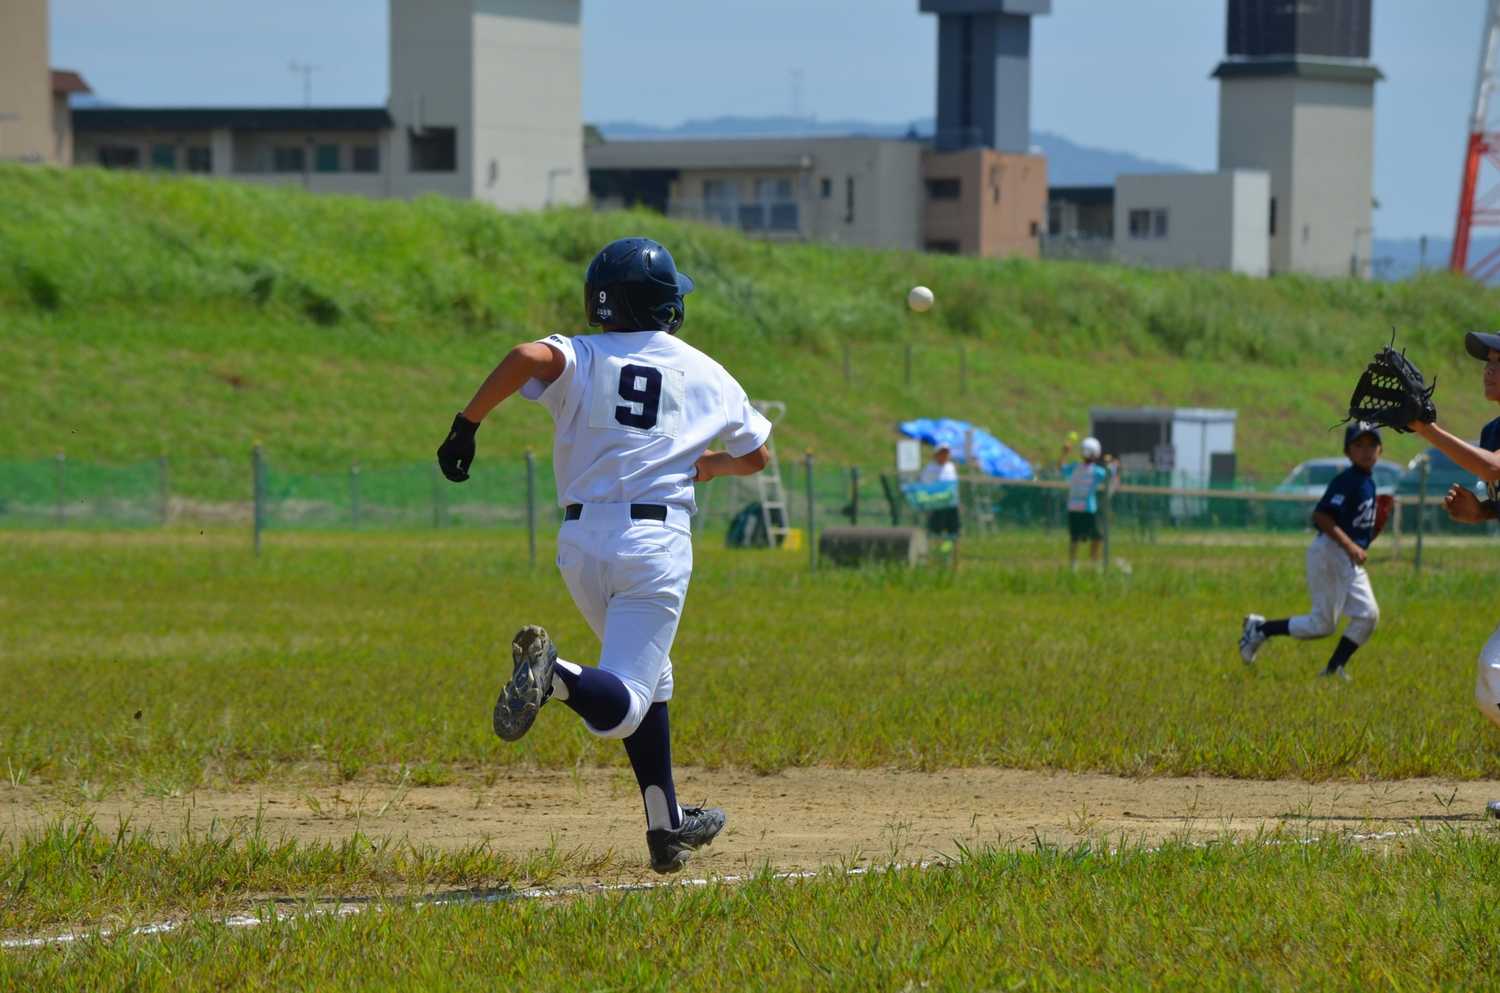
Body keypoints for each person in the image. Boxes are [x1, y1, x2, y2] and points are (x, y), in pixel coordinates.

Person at [435, 237, 772, 872]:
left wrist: (467, 425)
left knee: (653, 675)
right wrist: (711, 466)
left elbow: (525, 355)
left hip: (580, 542)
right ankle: (555, 676)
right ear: (668, 304)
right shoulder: (707, 370)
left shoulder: (582, 354)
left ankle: (666, 826)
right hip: (653, 543)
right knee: (623, 703)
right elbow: (756, 455)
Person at [1405, 332, 1500, 813]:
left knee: (1494, 673)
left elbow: (1494, 468)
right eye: (1488, 361)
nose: (1488, 368)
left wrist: (1426, 429)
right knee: (1493, 681)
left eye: (1499, 361)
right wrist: (1481, 513)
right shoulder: (1494, 429)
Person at [1239, 422, 1387, 681]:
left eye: (1372, 444)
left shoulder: (1368, 482)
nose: (1366, 451)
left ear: (1381, 450)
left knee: (1368, 615)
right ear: (1347, 452)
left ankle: (1332, 670)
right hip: (1329, 552)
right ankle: (1260, 629)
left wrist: (1371, 533)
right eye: (1358, 445)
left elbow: (1357, 530)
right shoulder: (1347, 480)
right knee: (1322, 625)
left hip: (1347, 557)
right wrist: (1351, 545)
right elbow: (1321, 516)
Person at [1058, 436, 1115, 568]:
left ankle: (1073, 565)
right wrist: (1111, 464)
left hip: (1072, 507)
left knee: (1075, 538)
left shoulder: (1074, 467)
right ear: (1096, 454)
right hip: (1088, 508)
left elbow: (1061, 467)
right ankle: (1095, 562)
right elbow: (1110, 475)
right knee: (1097, 537)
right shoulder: (1097, 471)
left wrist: (1064, 453)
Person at [919, 443, 960, 539]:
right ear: (936, 455)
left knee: (953, 530)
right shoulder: (930, 468)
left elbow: (953, 485)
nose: (944, 456)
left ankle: (951, 550)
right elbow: (924, 485)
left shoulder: (951, 467)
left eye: (946, 453)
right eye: (942, 453)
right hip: (937, 504)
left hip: (951, 503)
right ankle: (935, 549)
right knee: (936, 529)